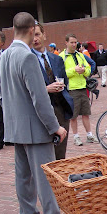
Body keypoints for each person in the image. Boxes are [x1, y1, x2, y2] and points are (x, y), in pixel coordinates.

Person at [0, 12, 67, 214]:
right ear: (30, 30)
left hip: (14, 127)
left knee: (23, 175)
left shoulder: (3, 57)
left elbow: (2, 93)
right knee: (45, 175)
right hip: (34, 128)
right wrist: (55, 126)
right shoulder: (27, 57)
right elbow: (39, 98)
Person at [32, 22, 74, 159]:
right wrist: (45, 89)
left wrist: (61, 87)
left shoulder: (56, 59)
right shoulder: (28, 60)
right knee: (44, 155)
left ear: (44, 35)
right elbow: (26, 89)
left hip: (60, 109)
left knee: (60, 154)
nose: (35, 39)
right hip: (41, 113)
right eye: (31, 36)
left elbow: (65, 81)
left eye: (37, 34)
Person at [59, 34, 98, 146]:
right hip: (71, 89)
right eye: (71, 42)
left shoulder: (80, 55)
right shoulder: (62, 57)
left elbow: (88, 69)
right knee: (74, 115)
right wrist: (74, 70)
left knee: (86, 113)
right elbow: (61, 74)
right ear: (66, 43)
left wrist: (84, 71)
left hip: (82, 87)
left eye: (75, 42)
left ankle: (89, 135)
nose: (74, 44)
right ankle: (76, 136)